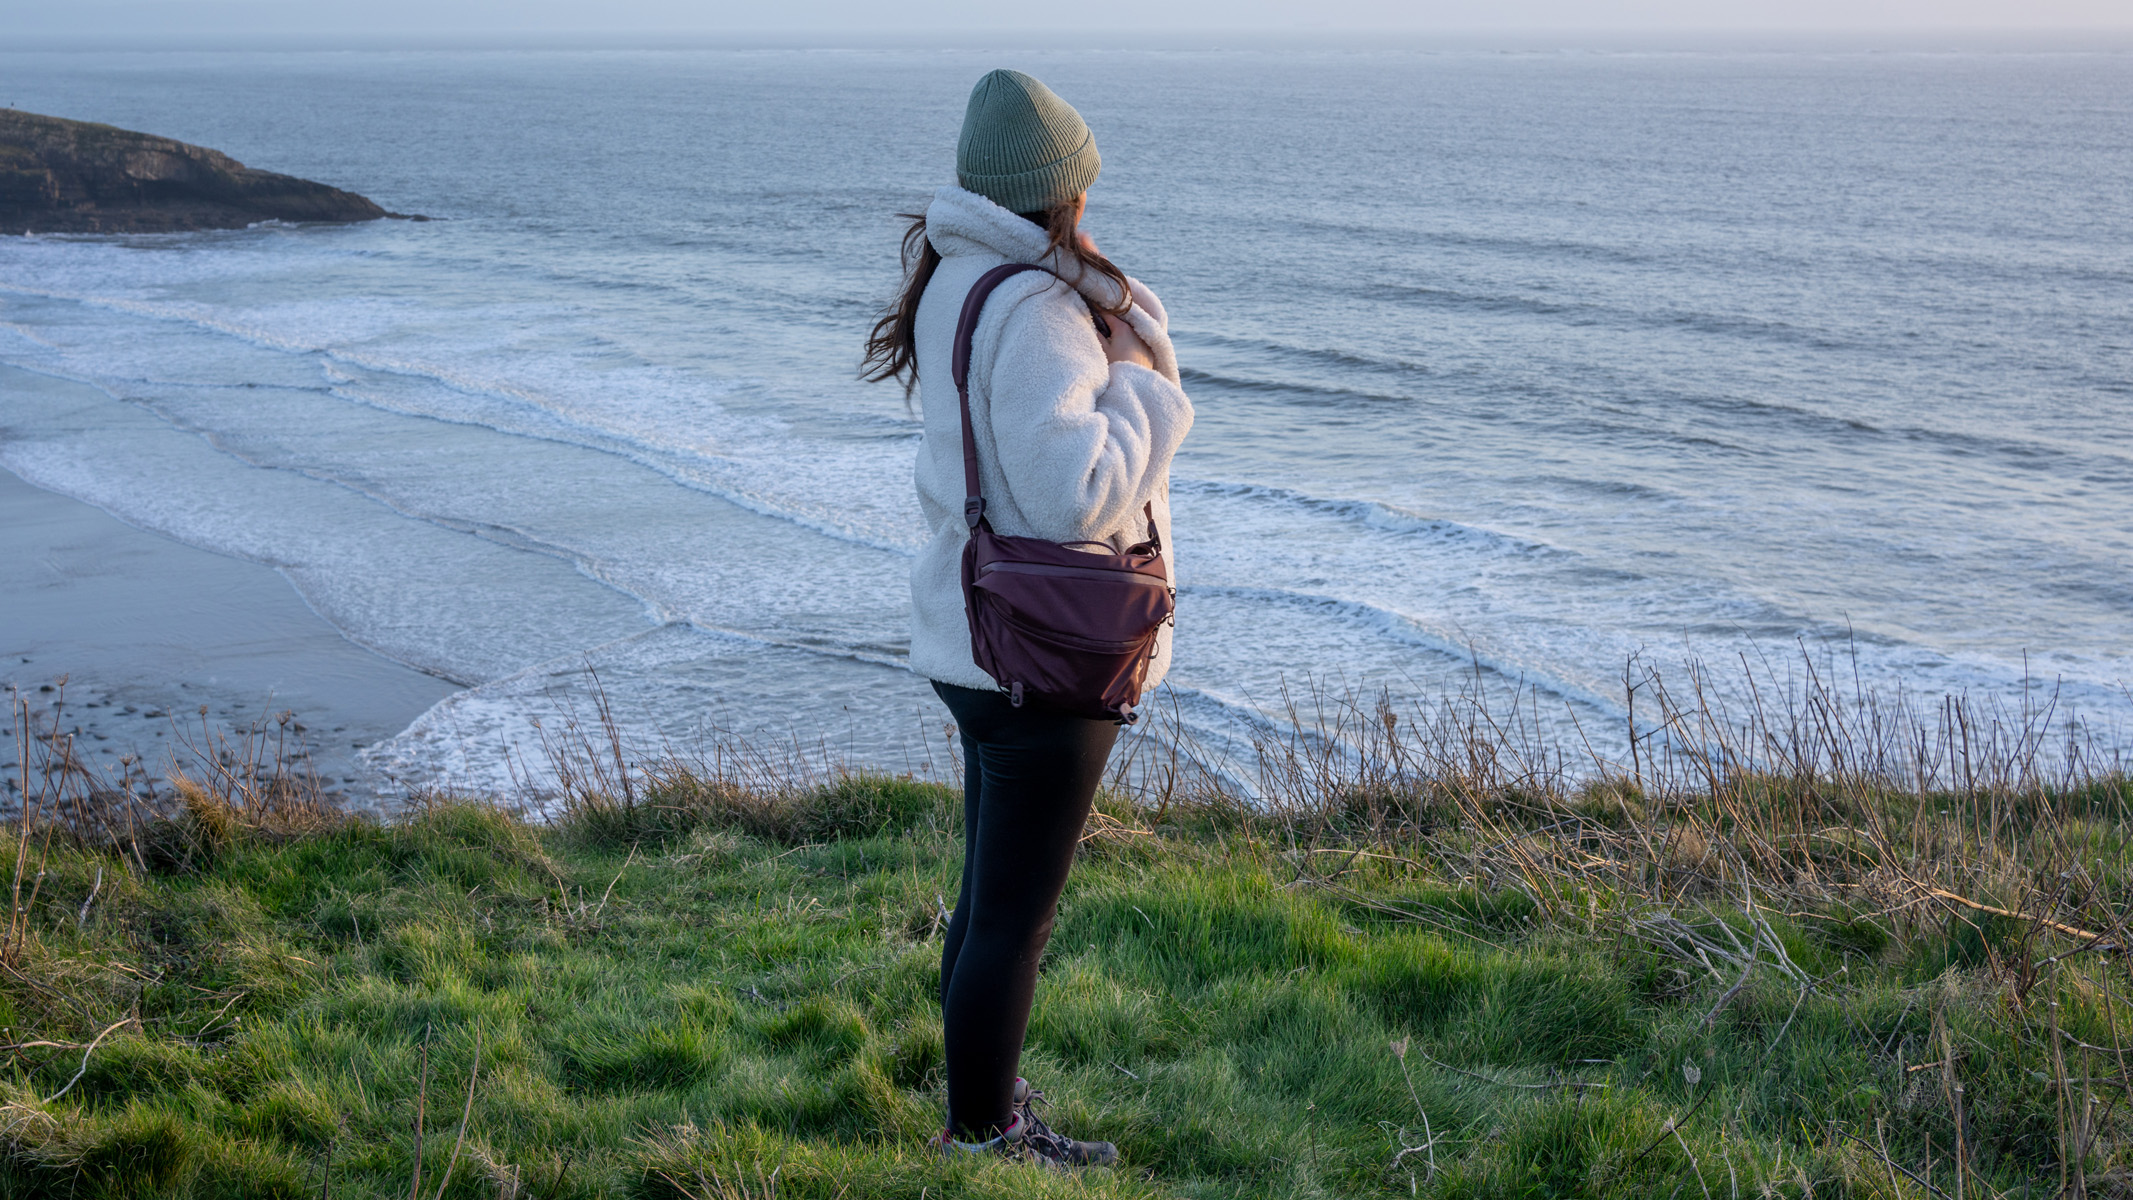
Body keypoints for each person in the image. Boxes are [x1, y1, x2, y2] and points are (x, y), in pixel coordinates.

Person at [861, 68, 1194, 1167]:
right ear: (1064, 194)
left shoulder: (963, 277)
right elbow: (1071, 490)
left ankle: (981, 1100)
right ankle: (987, 1134)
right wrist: (1145, 380)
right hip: (1046, 654)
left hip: (976, 638)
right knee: (1016, 916)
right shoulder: (1041, 307)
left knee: (986, 901)